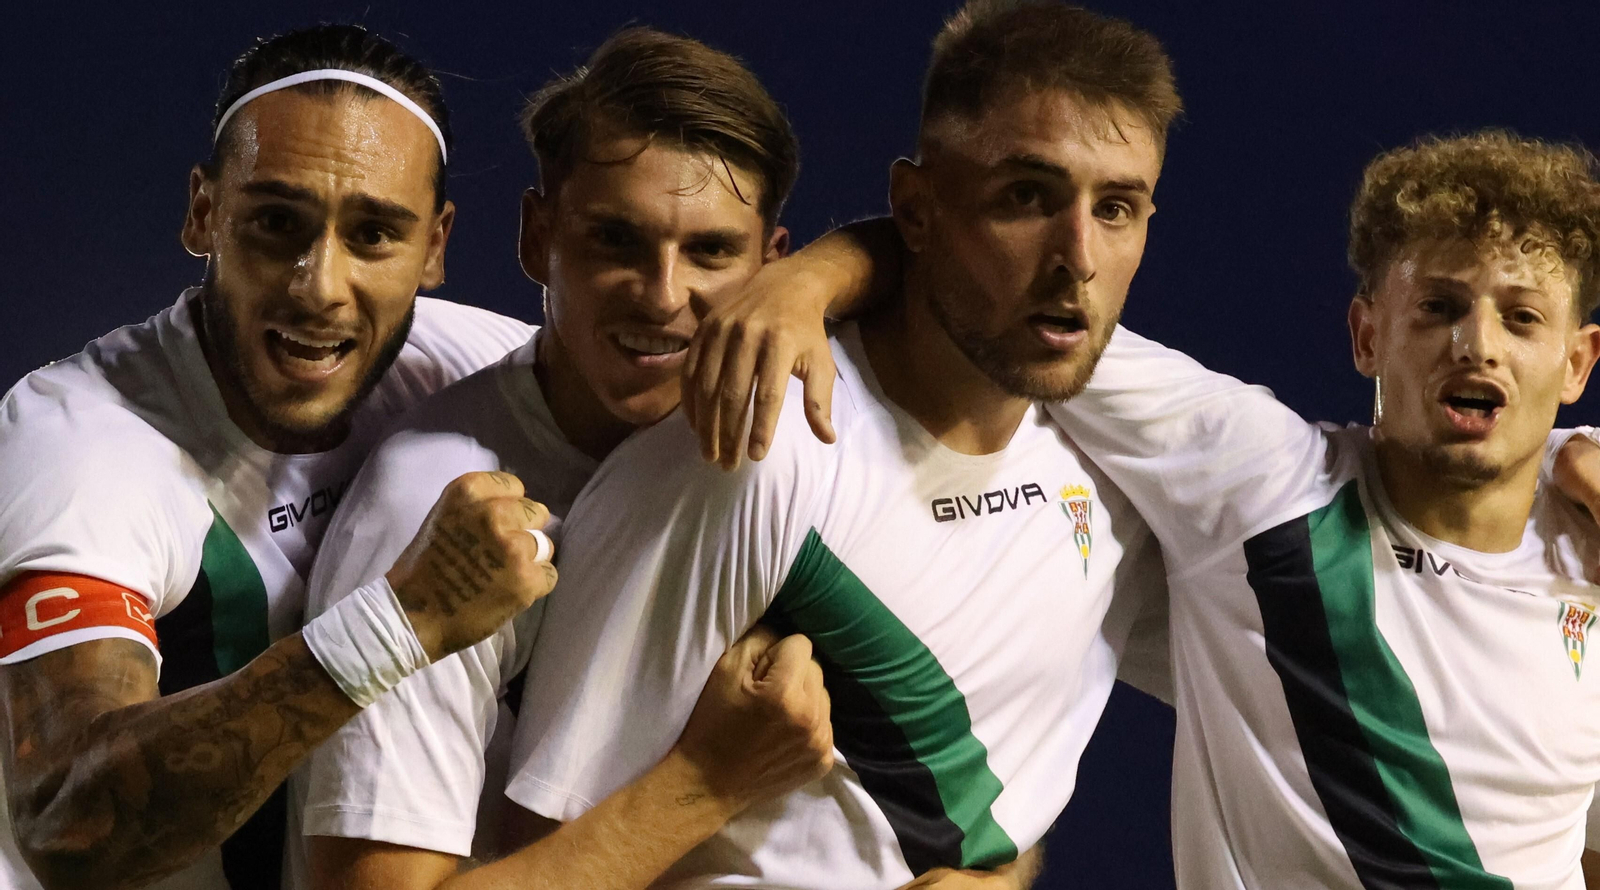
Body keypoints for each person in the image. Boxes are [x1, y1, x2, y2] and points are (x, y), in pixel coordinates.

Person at [692, 97, 1600, 890]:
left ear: (1577, 361)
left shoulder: (1588, 538)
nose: (1477, 346)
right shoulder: (1259, 482)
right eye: (1438, 307)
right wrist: (803, 281)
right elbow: (980, 283)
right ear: (1366, 336)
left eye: (1522, 318)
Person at [0, 24, 826, 890]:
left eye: (373, 234)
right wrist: (402, 622)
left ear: (434, 246)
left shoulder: (453, 363)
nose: (319, 287)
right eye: (277, 223)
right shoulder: (83, 446)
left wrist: (814, 283)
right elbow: (69, 823)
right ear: (205, 212)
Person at [498, 4, 1177, 886]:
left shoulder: (1127, 454)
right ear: (915, 212)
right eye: (1026, 197)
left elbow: (997, 808)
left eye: (1116, 208)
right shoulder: (751, 450)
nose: (1078, 257)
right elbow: (538, 851)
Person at [295, 27, 839, 890]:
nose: (664, 297)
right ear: (535, 236)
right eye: (616, 242)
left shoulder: (803, 445)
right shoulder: (431, 506)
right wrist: (706, 786)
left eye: (710, 252)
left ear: (772, 268)